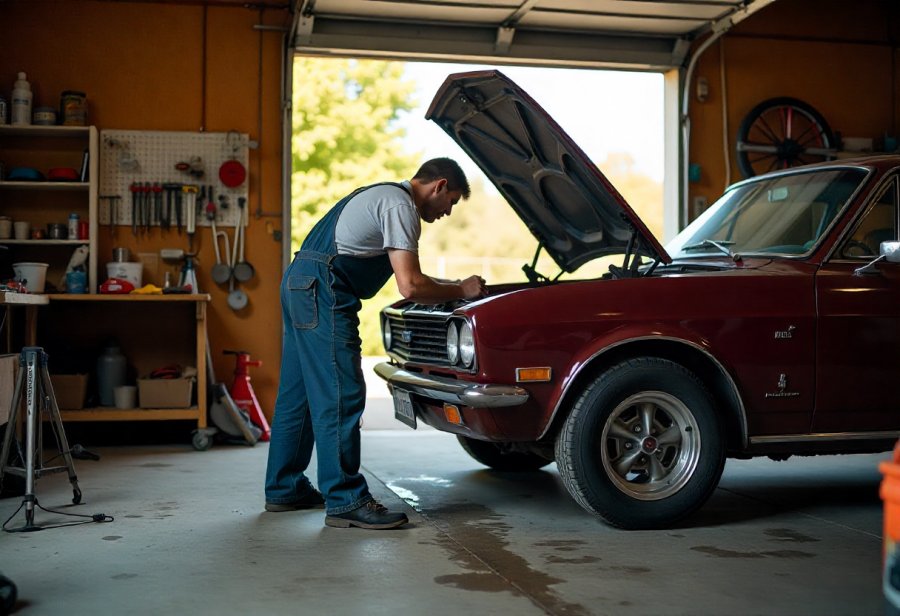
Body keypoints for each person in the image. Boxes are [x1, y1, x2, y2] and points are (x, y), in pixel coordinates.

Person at [264, 158, 487, 530]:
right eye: (452, 202)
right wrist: (461, 290)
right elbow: (411, 285)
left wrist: (452, 285)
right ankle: (345, 498)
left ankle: (285, 488)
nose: (447, 213)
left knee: (298, 394)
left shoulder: (381, 195)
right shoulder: (402, 207)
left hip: (299, 283)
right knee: (341, 393)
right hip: (324, 291)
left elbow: (411, 276)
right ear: (440, 186)